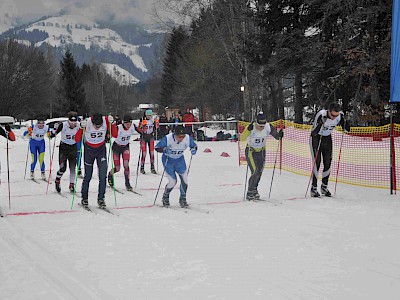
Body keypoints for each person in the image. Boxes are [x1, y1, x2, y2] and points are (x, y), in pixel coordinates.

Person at [310, 102, 350, 197]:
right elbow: (313, 133)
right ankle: (313, 188)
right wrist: (321, 123)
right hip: (316, 139)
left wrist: (346, 121)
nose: (333, 118)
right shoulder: (321, 114)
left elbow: (347, 130)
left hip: (327, 139)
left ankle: (324, 187)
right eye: (332, 115)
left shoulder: (339, 116)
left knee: (328, 163)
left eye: (336, 116)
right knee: (317, 163)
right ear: (328, 111)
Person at [240, 113, 284, 201]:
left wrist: (279, 135)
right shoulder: (251, 127)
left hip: (262, 152)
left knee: (259, 172)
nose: (261, 127)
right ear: (256, 122)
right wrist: (248, 131)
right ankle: (250, 192)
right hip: (251, 151)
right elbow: (242, 138)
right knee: (255, 171)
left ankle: (254, 190)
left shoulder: (268, 127)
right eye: (260, 126)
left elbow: (275, 135)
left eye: (263, 125)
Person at [155, 125, 198, 208]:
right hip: (168, 161)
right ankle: (165, 197)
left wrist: (194, 149)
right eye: (179, 136)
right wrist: (164, 149)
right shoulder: (168, 138)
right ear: (174, 134)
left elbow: (194, 146)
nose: (181, 138)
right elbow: (157, 147)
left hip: (179, 161)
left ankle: (183, 199)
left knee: (185, 180)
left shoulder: (187, 138)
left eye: (183, 136)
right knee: (172, 181)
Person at [79, 113, 113, 209]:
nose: (98, 128)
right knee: (88, 175)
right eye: (96, 126)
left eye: (99, 126)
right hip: (89, 150)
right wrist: (81, 128)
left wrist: (112, 123)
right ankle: (84, 198)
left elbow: (114, 134)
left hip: (101, 150)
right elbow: (77, 138)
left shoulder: (105, 120)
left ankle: (101, 198)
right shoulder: (87, 122)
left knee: (102, 176)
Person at [51, 111, 82, 193]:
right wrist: (53, 131)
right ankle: (57, 180)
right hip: (64, 148)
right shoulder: (63, 125)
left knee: (72, 168)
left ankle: (72, 185)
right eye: (71, 122)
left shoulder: (79, 125)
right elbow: (52, 135)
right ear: (68, 121)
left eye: (74, 122)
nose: (73, 124)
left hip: (73, 147)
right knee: (62, 168)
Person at [107, 114, 138, 191]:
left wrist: (144, 126)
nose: (129, 125)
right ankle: (110, 175)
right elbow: (111, 134)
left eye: (130, 123)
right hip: (116, 148)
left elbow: (142, 131)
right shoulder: (119, 128)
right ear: (123, 123)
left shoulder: (133, 126)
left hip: (125, 147)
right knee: (117, 168)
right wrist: (108, 134)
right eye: (127, 123)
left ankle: (127, 183)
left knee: (126, 165)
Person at [136, 109, 159, 174]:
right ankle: (142, 167)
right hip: (144, 137)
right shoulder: (142, 119)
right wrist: (143, 128)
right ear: (146, 115)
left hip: (150, 136)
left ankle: (152, 167)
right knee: (144, 153)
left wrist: (157, 123)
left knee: (151, 153)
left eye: (150, 115)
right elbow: (138, 129)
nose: (149, 116)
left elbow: (156, 128)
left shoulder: (152, 120)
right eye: (148, 115)